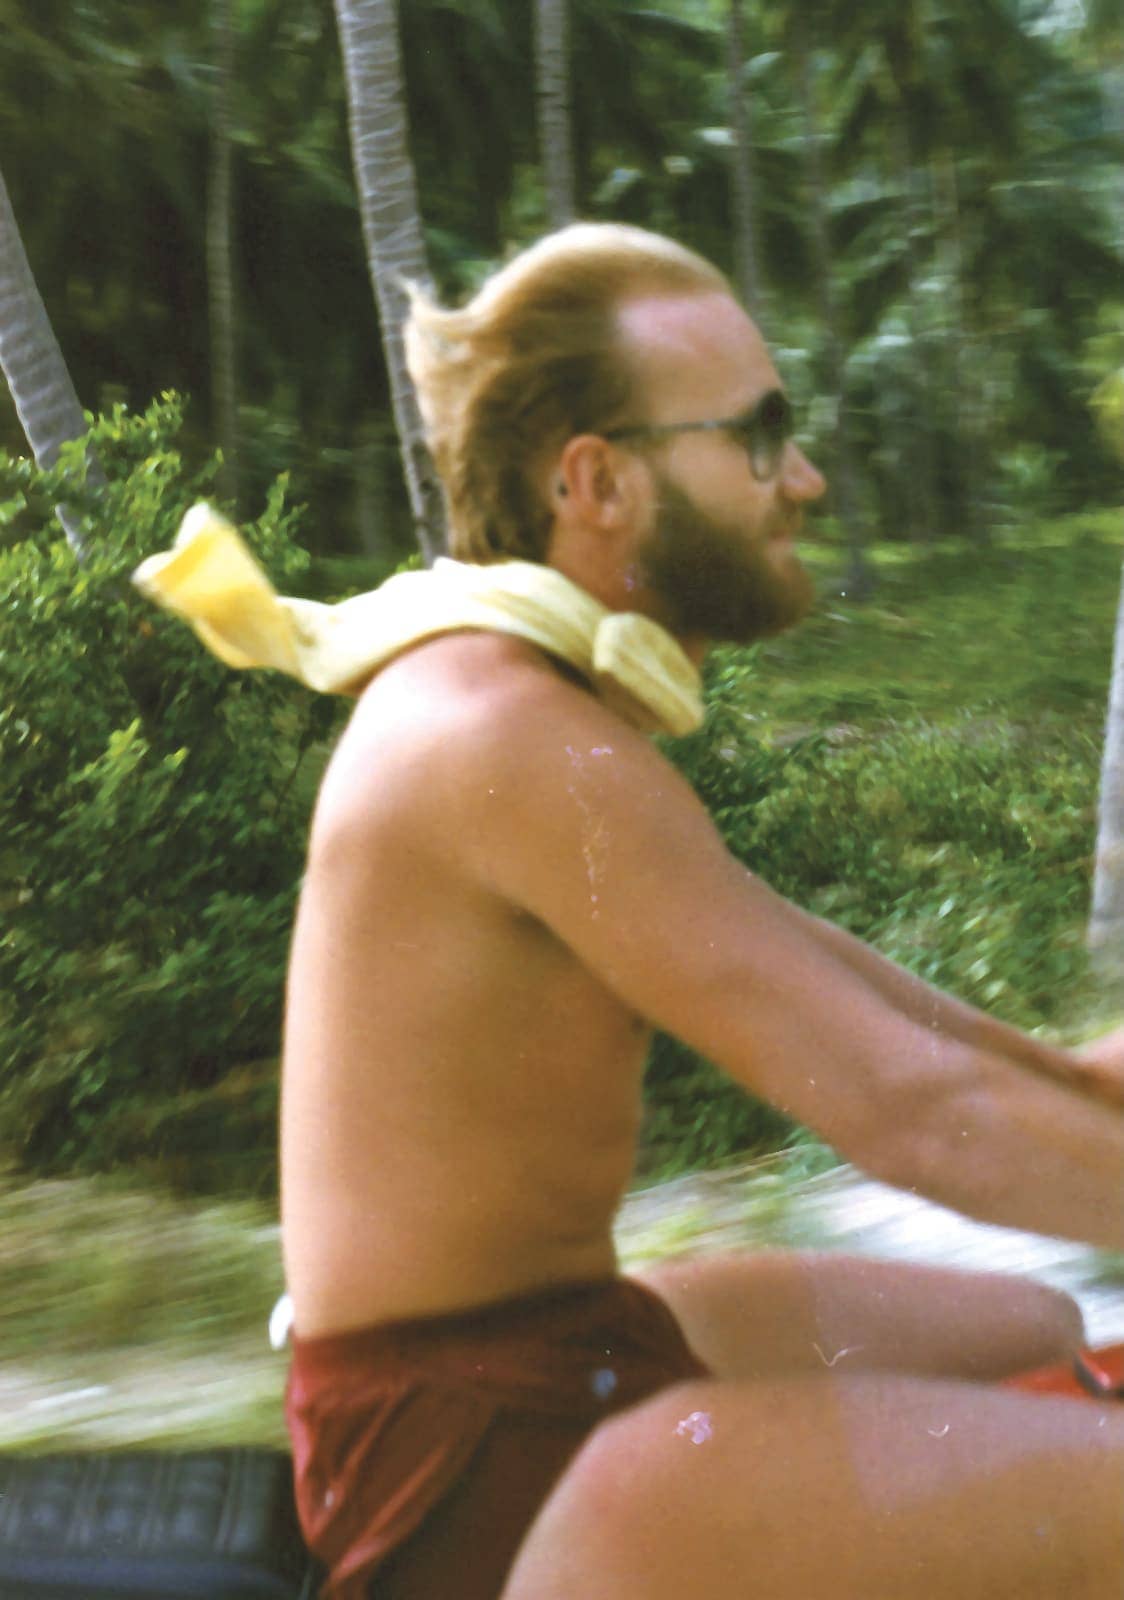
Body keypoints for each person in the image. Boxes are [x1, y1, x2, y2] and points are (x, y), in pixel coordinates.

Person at [275, 224, 1124, 1599]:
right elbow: (906, 1114)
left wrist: (1085, 1089)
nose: (806, 478)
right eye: (758, 435)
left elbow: (892, 1024)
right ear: (596, 481)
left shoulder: (530, 708)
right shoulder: (509, 737)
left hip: (561, 1344)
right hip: (471, 1464)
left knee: (1042, 1324)